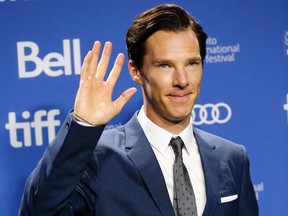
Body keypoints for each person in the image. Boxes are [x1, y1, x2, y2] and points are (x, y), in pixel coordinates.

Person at [19, 4, 258, 216]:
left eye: (192, 64)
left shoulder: (233, 158)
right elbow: (40, 210)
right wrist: (83, 125)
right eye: (165, 65)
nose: (182, 80)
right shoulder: (98, 158)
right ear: (135, 71)